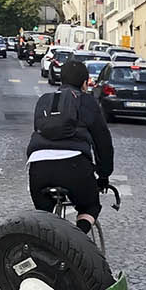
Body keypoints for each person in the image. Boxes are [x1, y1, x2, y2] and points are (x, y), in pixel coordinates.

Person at [27, 57, 115, 235]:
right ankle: (78, 238)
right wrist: (103, 175)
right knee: (90, 206)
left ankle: (44, 248)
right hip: (75, 167)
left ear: (61, 80)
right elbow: (103, 142)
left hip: (38, 167)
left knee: (43, 214)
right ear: (84, 84)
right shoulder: (87, 101)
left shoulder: (45, 100)